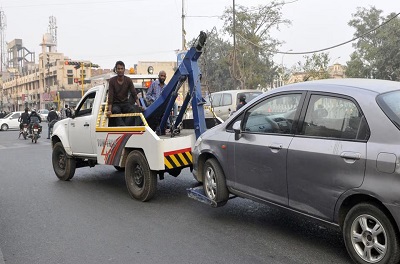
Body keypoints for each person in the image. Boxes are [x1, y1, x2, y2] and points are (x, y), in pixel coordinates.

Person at [106, 60, 143, 126]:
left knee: (132, 110)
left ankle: (125, 127)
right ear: (116, 70)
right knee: (115, 110)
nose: (120, 70)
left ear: (124, 70)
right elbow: (110, 96)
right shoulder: (112, 81)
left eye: (121, 69)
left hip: (125, 103)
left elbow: (134, 93)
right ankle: (122, 126)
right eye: (118, 69)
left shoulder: (128, 80)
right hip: (116, 104)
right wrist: (109, 110)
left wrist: (139, 105)